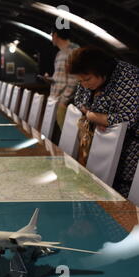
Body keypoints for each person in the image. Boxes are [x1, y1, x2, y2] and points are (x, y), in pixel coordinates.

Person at [67, 46, 138, 197]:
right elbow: (79, 100)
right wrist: (102, 118)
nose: (84, 84)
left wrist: (93, 117)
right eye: (80, 81)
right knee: (97, 192)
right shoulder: (86, 77)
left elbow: (128, 119)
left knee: (124, 199)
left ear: (102, 70)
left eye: (87, 80)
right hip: (100, 147)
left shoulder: (127, 76)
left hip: (130, 152)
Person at [41, 27, 79, 132]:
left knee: (66, 136)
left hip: (63, 103)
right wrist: (49, 79)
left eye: (51, 35)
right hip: (54, 99)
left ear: (56, 35)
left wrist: (64, 100)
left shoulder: (73, 51)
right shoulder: (59, 53)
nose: (51, 38)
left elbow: (75, 79)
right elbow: (61, 77)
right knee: (53, 136)